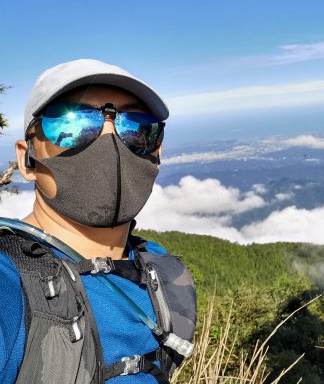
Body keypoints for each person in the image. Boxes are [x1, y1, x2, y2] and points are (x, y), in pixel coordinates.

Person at [0, 59, 197, 383]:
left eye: (136, 126)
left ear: (157, 151)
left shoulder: (163, 275)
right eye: (73, 123)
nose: (112, 140)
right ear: (27, 158)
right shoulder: (10, 281)